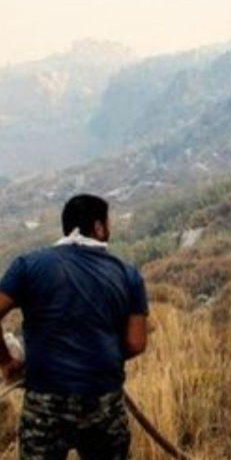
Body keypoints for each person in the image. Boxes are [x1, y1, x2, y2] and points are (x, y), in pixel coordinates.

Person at [0, 194, 149, 460]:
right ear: (99, 227)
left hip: (45, 403)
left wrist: (6, 361)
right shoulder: (128, 275)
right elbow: (136, 343)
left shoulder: (28, 265)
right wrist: (97, 354)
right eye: (108, 223)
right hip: (102, 401)